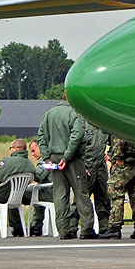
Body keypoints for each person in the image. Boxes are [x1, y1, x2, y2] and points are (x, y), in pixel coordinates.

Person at [36, 90, 91, 239]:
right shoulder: (75, 114)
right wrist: (67, 156)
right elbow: (78, 134)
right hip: (72, 159)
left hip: (54, 158)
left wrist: (47, 158)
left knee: (60, 194)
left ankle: (63, 230)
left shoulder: (48, 114)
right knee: (81, 193)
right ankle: (86, 229)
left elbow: (41, 137)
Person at [108, 138, 135, 239]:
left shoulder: (121, 124)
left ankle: (115, 227)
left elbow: (119, 140)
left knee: (116, 194)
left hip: (123, 165)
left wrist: (118, 158)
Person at [81, 123, 117, 238]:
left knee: (103, 197)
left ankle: (104, 228)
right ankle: (76, 228)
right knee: (82, 199)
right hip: (87, 166)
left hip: (100, 166)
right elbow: (75, 144)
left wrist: (111, 154)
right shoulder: (81, 124)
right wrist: (82, 166)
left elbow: (114, 142)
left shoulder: (103, 124)